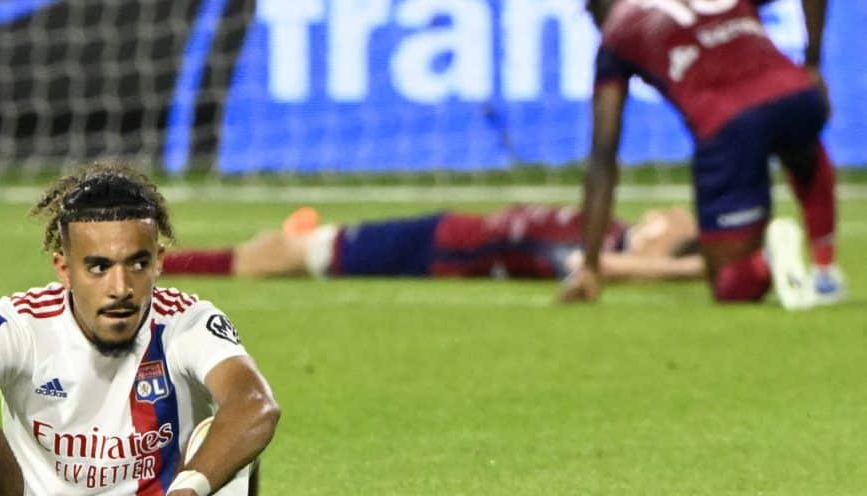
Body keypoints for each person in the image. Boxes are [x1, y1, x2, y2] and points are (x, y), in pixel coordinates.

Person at [0, 163, 280, 496]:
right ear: (64, 268)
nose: (120, 287)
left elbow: (255, 405)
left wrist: (187, 490)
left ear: (158, 262)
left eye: (137, 263)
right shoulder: (19, 324)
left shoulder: (187, 322)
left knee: (224, 435)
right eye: (99, 267)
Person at [561, 0, 846, 309]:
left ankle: (767, 261)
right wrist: (813, 62)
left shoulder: (617, 34)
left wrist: (590, 265)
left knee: (728, 282)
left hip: (729, 124)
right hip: (796, 93)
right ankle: (825, 271)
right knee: (802, 145)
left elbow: (603, 155)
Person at [159, 204, 704, 282]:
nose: (675, 212)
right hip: (449, 234)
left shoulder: (607, 251)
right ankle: (155, 262)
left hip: (447, 247)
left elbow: (603, 267)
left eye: (679, 223)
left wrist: (692, 270)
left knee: (284, 253)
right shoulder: (607, 224)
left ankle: (160, 264)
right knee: (292, 249)